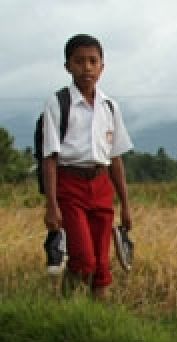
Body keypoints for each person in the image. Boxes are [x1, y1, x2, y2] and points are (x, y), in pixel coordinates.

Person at [40, 34, 134, 299]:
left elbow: (115, 157)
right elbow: (50, 157)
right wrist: (52, 205)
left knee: (101, 266)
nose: (87, 67)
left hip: (101, 185)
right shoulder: (58, 103)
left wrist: (125, 204)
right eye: (79, 61)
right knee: (83, 259)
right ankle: (66, 309)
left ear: (102, 66)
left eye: (93, 61)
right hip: (69, 185)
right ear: (68, 66)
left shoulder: (110, 107)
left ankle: (98, 325)